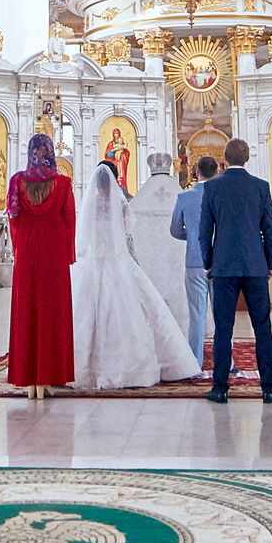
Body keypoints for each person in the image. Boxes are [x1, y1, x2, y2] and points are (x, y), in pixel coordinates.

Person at [72, 165, 202, 388]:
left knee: (82, 314)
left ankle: (78, 366)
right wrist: (134, 262)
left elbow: (84, 239)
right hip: (117, 262)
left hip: (92, 264)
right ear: (115, 180)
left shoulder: (90, 203)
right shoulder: (120, 203)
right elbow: (127, 238)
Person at [198, 137, 272, 403]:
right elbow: (269, 229)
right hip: (255, 265)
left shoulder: (212, 187)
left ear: (224, 158)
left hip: (223, 266)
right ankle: (269, 388)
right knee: (262, 326)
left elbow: (204, 231)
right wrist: (268, 263)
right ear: (247, 158)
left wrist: (209, 262)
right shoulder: (260, 187)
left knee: (223, 328)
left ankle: (220, 388)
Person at [7, 134, 75, 400]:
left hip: (26, 249)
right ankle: (48, 377)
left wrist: (18, 248)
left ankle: (28, 381)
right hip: (54, 250)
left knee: (27, 310)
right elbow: (69, 219)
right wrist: (68, 251)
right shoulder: (63, 183)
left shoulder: (17, 182)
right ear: (50, 153)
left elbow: (13, 220)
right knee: (52, 313)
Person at [126, 154, 185, 320]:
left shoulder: (140, 198)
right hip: (176, 259)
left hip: (149, 259)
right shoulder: (179, 194)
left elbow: (128, 229)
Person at [169, 155, 214, 363]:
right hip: (220, 262)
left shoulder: (184, 197)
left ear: (196, 172)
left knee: (197, 314)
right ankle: (228, 360)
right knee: (223, 314)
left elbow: (175, 229)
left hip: (195, 260)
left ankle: (196, 359)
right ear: (216, 172)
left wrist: (193, 235)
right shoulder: (222, 195)